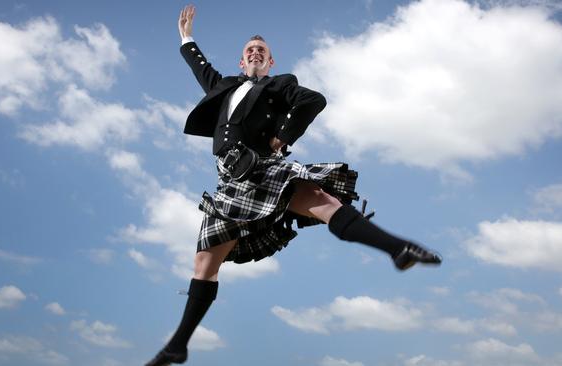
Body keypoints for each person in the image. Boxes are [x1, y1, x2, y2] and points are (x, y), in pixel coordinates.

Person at [145, 5, 442, 365]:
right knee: (205, 264)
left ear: (270, 62)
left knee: (318, 198)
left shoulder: (279, 83)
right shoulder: (223, 86)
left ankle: (399, 248)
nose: (255, 52)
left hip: (264, 166)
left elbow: (313, 100)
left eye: (262, 51)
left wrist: (281, 139)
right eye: (250, 50)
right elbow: (200, 67)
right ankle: (178, 345)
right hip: (229, 182)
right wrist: (186, 38)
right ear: (241, 62)